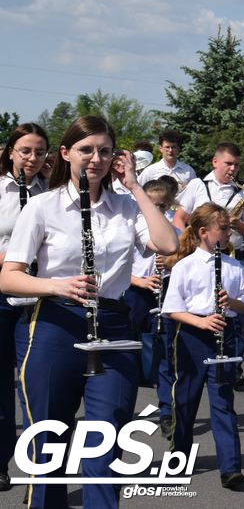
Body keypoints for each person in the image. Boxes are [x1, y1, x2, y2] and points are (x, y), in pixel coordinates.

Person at [0, 115, 178, 508]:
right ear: (66, 153)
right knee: (49, 439)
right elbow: (9, 278)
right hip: (54, 322)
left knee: (107, 441)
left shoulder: (127, 206)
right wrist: (55, 285)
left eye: (104, 150)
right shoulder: (44, 206)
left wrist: (134, 185)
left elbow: (167, 245)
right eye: (85, 150)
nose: (95, 158)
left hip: (112, 323)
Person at [162, 203, 244, 490]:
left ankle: (231, 468)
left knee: (223, 402)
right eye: (223, 229)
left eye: (229, 228)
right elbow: (172, 309)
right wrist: (200, 323)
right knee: (185, 402)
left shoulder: (234, 265)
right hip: (191, 335)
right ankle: (179, 460)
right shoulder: (184, 266)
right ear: (203, 232)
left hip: (223, 334)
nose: (229, 233)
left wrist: (231, 303)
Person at [174, 142, 244, 389]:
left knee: (232, 312)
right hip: (199, 254)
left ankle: (232, 366)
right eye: (229, 163)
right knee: (201, 305)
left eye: (237, 165)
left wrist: (236, 225)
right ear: (215, 162)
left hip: (231, 255)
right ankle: (197, 364)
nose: (233, 169)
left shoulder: (242, 193)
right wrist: (186, 245)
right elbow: (180, 217)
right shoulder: (198, 186)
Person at [0, 123, 49, 493]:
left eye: (39, 152)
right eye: (25, 151)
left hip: (38, 295)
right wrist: (13, 259)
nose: (32, 158)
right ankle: (1, 460)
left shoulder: (49, 191)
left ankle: (39, 467)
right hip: (3, 292)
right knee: (2, 381)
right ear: (11, 152)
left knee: (32, 383)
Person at [122, 179, 177, 437]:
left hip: (162, 291)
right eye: (152, 204)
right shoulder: (131, 226)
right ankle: (124, 411)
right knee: (130, 352)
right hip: (133, 293)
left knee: (164, 353)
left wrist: (169, 264)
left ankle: (167, 411)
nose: (157, 209)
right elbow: (118, 269)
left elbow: (182, 261)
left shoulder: (171, 230)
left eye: (162, 205)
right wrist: (140, 281)